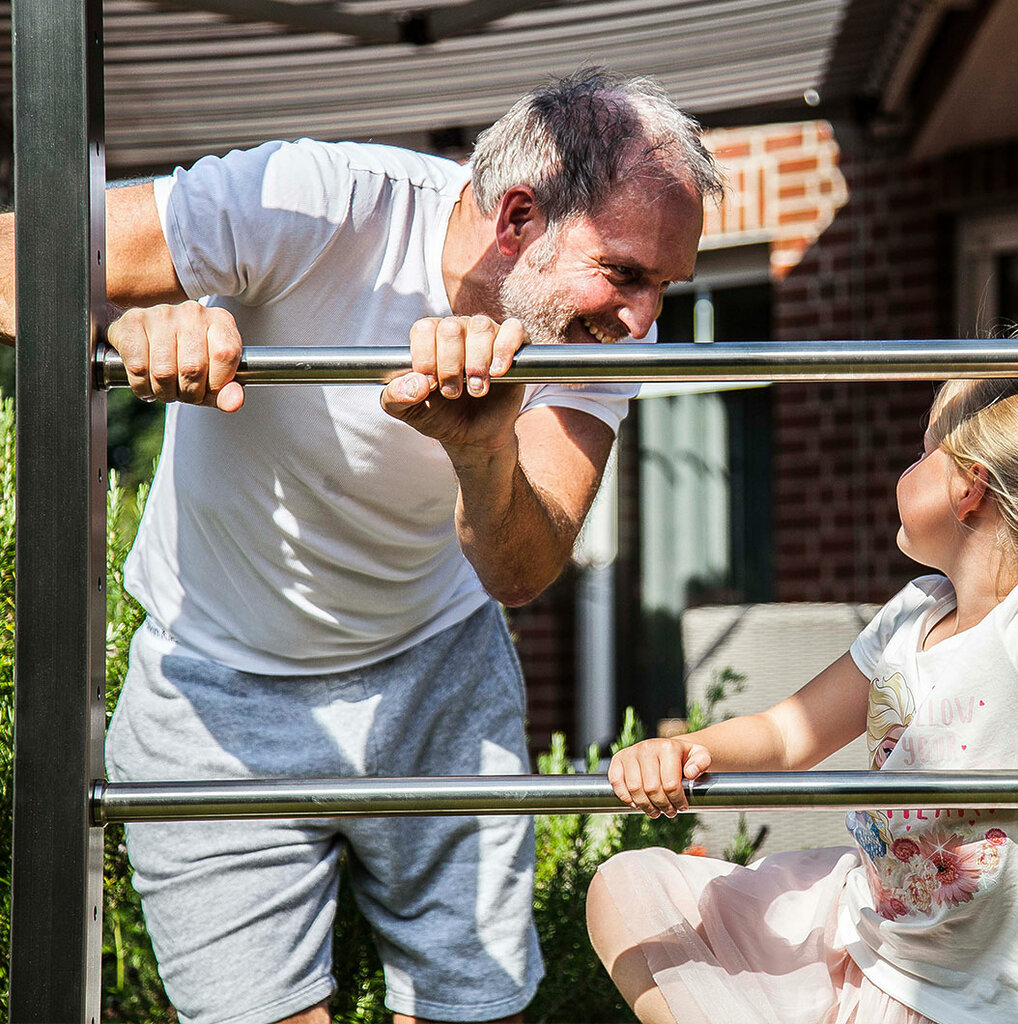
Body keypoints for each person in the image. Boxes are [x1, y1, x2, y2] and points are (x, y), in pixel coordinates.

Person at [1, 68, 723, 1024]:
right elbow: (15, 258)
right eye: (626, 273)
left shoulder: (597, 337)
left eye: (663, 288)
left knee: (477, 1014)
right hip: (215, 689)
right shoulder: (312, 202)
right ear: (517, 217)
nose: (641, 320)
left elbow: (519, 569)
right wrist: (129, 326)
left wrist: (481, 452)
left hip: (439, 677)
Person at [586, 321, 1018, 1024]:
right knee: (630, 887)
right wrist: (691, 750)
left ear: (969, 488)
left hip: (1002, 998)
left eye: (923, 451)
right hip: (875, 946)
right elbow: (787, 735)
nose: (906, 467)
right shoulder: (912, 616)